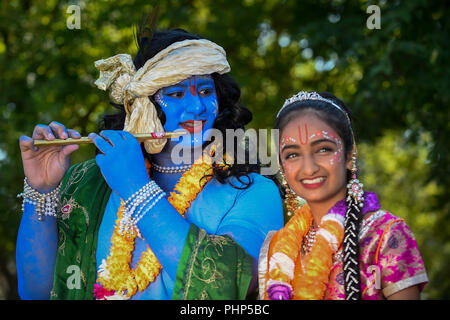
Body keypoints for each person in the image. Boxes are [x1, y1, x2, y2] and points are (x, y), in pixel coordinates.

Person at [16, 29, 283, 300]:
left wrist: (135, 189)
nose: (196, 107)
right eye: (177, 94)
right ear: (143, 105)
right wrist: (42, 190)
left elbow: (224, 286)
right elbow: (37, 292)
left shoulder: (252, 190)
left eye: (205, 91)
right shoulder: (91, 180)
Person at [258, 91, 428, 300]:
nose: (309, 168)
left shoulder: (384, 234)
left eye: (323, 149)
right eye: (292, 155)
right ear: (283, 168)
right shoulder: (277, 246)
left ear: (349, 155)